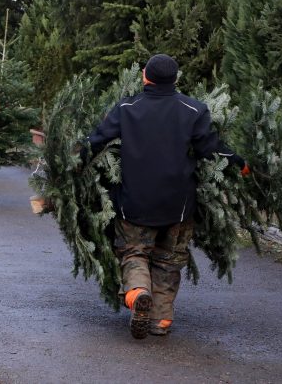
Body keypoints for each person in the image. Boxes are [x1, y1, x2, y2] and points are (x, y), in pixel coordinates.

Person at [84, 54, 249, 340]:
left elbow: (96, 140)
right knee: (169, 260)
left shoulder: (126, 107)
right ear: (175, 79)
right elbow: (210, 148)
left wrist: (70, 159)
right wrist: (239, 163)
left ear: (145, 76)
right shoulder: (193, 109)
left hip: (134, 201)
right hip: (178, 204)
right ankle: (160, 319)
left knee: (133, 251)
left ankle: (137, 294)